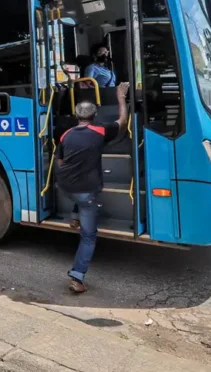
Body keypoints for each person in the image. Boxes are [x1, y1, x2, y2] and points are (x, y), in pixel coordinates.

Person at [56, 82, 129, 294]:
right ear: (95, 115)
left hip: (65, 185)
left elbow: (60, 162)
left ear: (76, 116)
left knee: (88, 190)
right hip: (85, 191)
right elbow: (123, 122)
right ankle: (77, 277)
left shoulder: (66, 134)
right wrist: (120, 97)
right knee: (88, 236)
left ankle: (74, 216)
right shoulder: (100, 131)